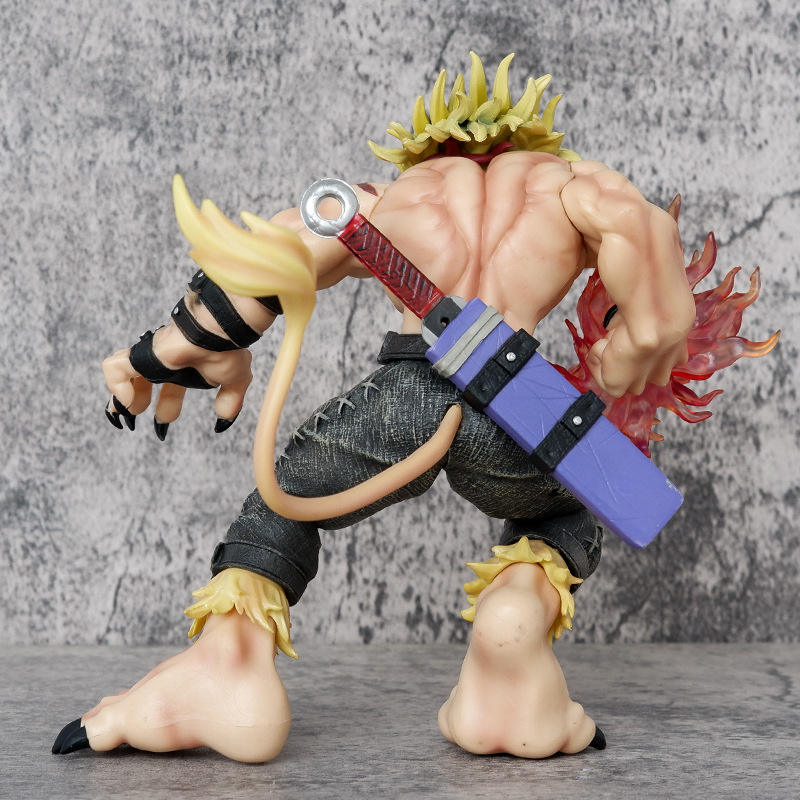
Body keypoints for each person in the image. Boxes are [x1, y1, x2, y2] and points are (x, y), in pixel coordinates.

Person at [53, 53, 698, 762]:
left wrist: (164, 352)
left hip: (407, 392)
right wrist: (626, 352)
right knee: (562, 516)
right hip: (520, 407)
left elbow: (266, 263)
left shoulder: (389, 198)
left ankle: (228, 665)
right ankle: (511, 628)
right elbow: (645, 249)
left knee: (287, 502)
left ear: (424, 144)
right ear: (530, 140)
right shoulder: (570, 187)